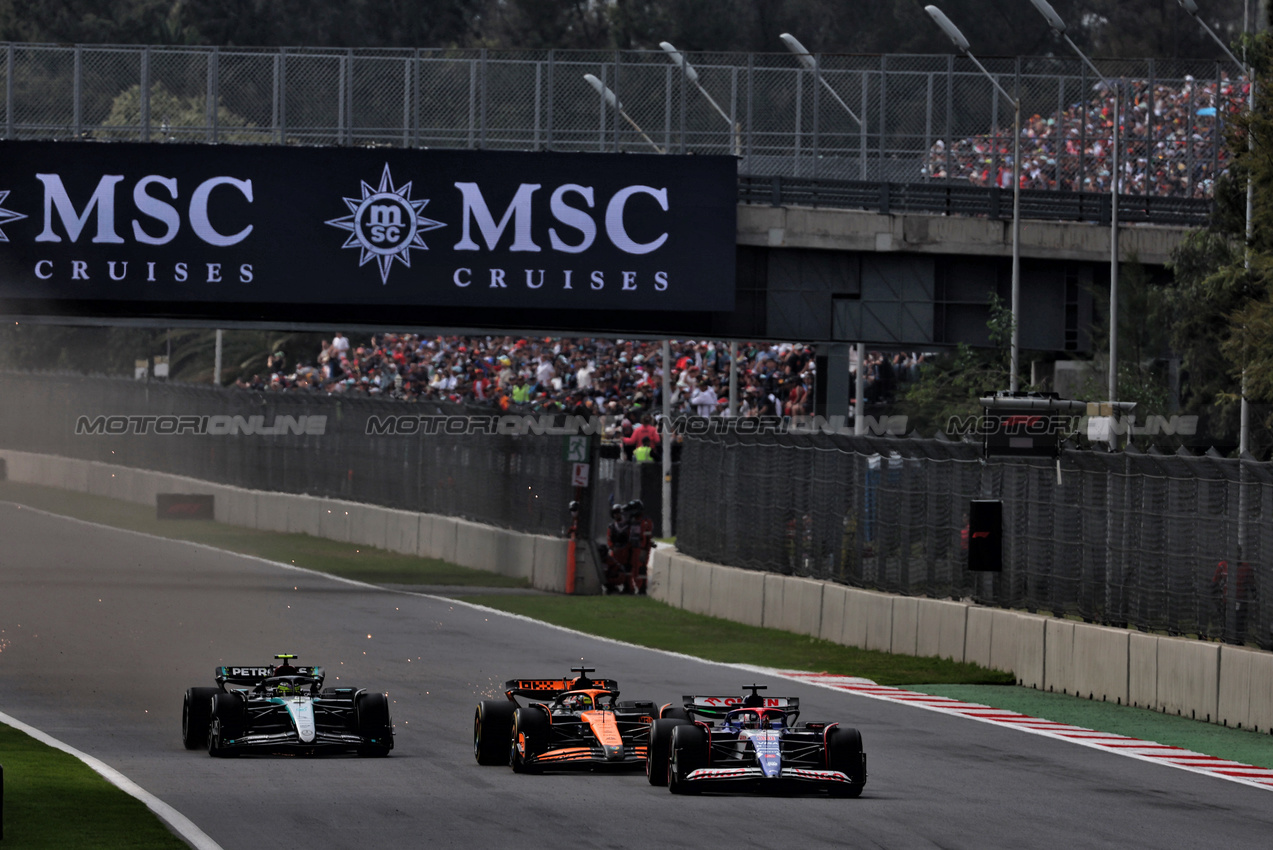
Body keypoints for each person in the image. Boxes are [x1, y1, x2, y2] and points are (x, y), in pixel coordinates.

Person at [625, 499, 654, 595]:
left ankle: (642, 589)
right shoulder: (633, 521)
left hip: (641, 549)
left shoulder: (645, 522)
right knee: (633, 569)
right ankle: (634, 587)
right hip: (633, 548)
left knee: (640, 569)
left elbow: (646, 537)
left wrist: (644, 550)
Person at [603, 505, 631, 594]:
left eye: (618, 512)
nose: (616, 515)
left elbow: (630, 537)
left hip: (625, 550)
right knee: (613, 569)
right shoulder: (611, 526)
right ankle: (612, 587)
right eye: (615, 513)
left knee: (627, 569)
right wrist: (612, 547)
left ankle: (628, 587)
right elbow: (609, 538)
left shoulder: (627, 525)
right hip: (615, 551)